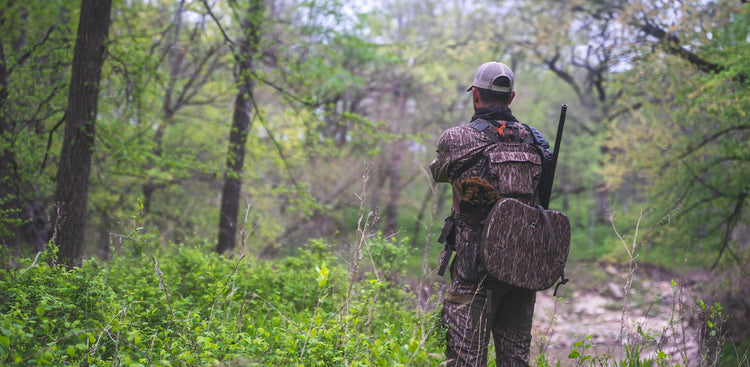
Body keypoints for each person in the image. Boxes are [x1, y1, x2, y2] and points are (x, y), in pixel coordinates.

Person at [430, 61, 549, 366]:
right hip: (522, 269)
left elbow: (439, 173)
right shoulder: (537, 143)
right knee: (516, 359)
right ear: (511, 98)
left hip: (474, 271)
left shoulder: (457, 139)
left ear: (475, 96)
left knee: (465, 360)